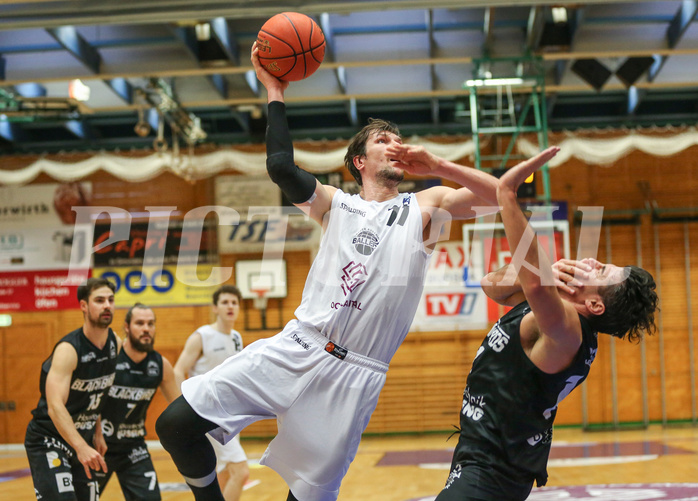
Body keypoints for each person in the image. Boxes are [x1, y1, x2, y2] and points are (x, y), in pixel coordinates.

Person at [155, 42, 556, 501]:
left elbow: (502, 196)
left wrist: (439, 166)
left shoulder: (426, 207)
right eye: (380, 140)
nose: (393, 145)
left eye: (397, 139)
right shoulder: (334, 203)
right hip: (297, 344)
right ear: (359, 163)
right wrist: (273, 89)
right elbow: (281, 167)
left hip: (355, 375)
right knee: (176, 425)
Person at [434, 150, 659, 501]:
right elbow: (492, 284)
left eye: (599, 270)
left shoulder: (568, 328)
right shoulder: (552, 309)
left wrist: (507, 195)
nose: (589, 260)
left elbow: (535, 286)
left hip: (493, 473)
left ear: (594, 305)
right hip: (487, 460)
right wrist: (546, 272)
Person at [24, 277, 121, 500]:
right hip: (49, 437)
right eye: (99, 300)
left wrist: (97, 433)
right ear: (84, 306)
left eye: (110, 300)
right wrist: (81, 447)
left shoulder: (115, 342)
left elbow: (97, 392)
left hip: (82, 436)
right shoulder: (69, 350)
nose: (107, 305)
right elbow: (55, 407)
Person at [94, 302, 179, 500]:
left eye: (150, 324)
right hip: (98, 445)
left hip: (133, 447)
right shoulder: (110, 359)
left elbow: (179, 406)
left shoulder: (160, 365)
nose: (146, 329)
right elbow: (90, 401)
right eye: (140, 323)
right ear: (126, 327)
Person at [173, 285, 249, 501]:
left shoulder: (236, 337)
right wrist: (185, 407)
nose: (230, 306)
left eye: (234, 302)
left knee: (222, 474)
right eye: (225, 302)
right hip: (208, 413)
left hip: (230, 415)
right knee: (241, 471)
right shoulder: (202, 336)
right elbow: (178, 370)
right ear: (215, 308)